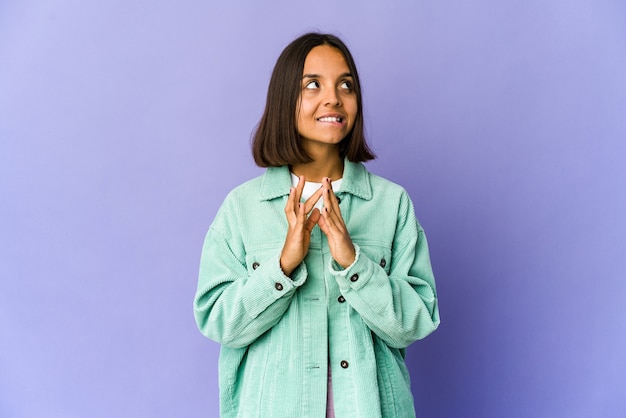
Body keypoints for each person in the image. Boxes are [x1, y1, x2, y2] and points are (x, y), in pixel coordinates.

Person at [194, 32, 440, 418]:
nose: (333, 98)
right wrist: (282, 266)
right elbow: (219, 322)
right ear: (284, 100)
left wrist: (353, 262)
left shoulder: (391, 204)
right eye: (313, 85)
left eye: (346, 85)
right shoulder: (243, 207)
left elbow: (415, 321)